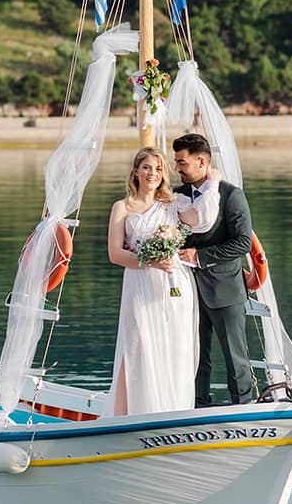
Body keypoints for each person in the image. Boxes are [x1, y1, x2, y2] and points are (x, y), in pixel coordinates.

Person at [104, 146, 220, 416]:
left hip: (173, 286)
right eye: (146, 167)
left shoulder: (173, 204)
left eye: (158, 169)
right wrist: (151, 261)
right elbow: (115, 254)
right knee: (138, 345)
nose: (152, 174)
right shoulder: (122, 207)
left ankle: (172, 410)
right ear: (136, 171)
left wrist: (212, 184)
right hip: (140, 286)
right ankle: (128, 413)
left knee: (173, 346)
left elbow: (201, 220)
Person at [173, 133, 253, 406]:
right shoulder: (176, 196)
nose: (177, 169)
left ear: (201, 161)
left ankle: (243, 408)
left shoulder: (231, 195)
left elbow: (242, 243)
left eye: (182, 163)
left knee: (235, 355)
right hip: (187, 290)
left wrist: (201, 256)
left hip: (225, 290)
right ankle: (197, 405)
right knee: (194, 354)